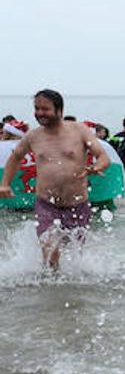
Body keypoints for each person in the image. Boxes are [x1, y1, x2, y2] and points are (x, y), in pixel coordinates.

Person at [0, 89, 109, 270]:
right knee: (51, 250)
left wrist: (98, 166)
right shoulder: (33, 136)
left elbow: (103, 156)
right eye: (37, 108)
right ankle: (49, 290)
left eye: (45, 109)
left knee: (75, 255)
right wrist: (4, 184)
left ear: (60, 111)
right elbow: (16, 157)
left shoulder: (79, 131)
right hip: (46, 203)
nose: (40, 113)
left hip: (77, 204)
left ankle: (67, 292)